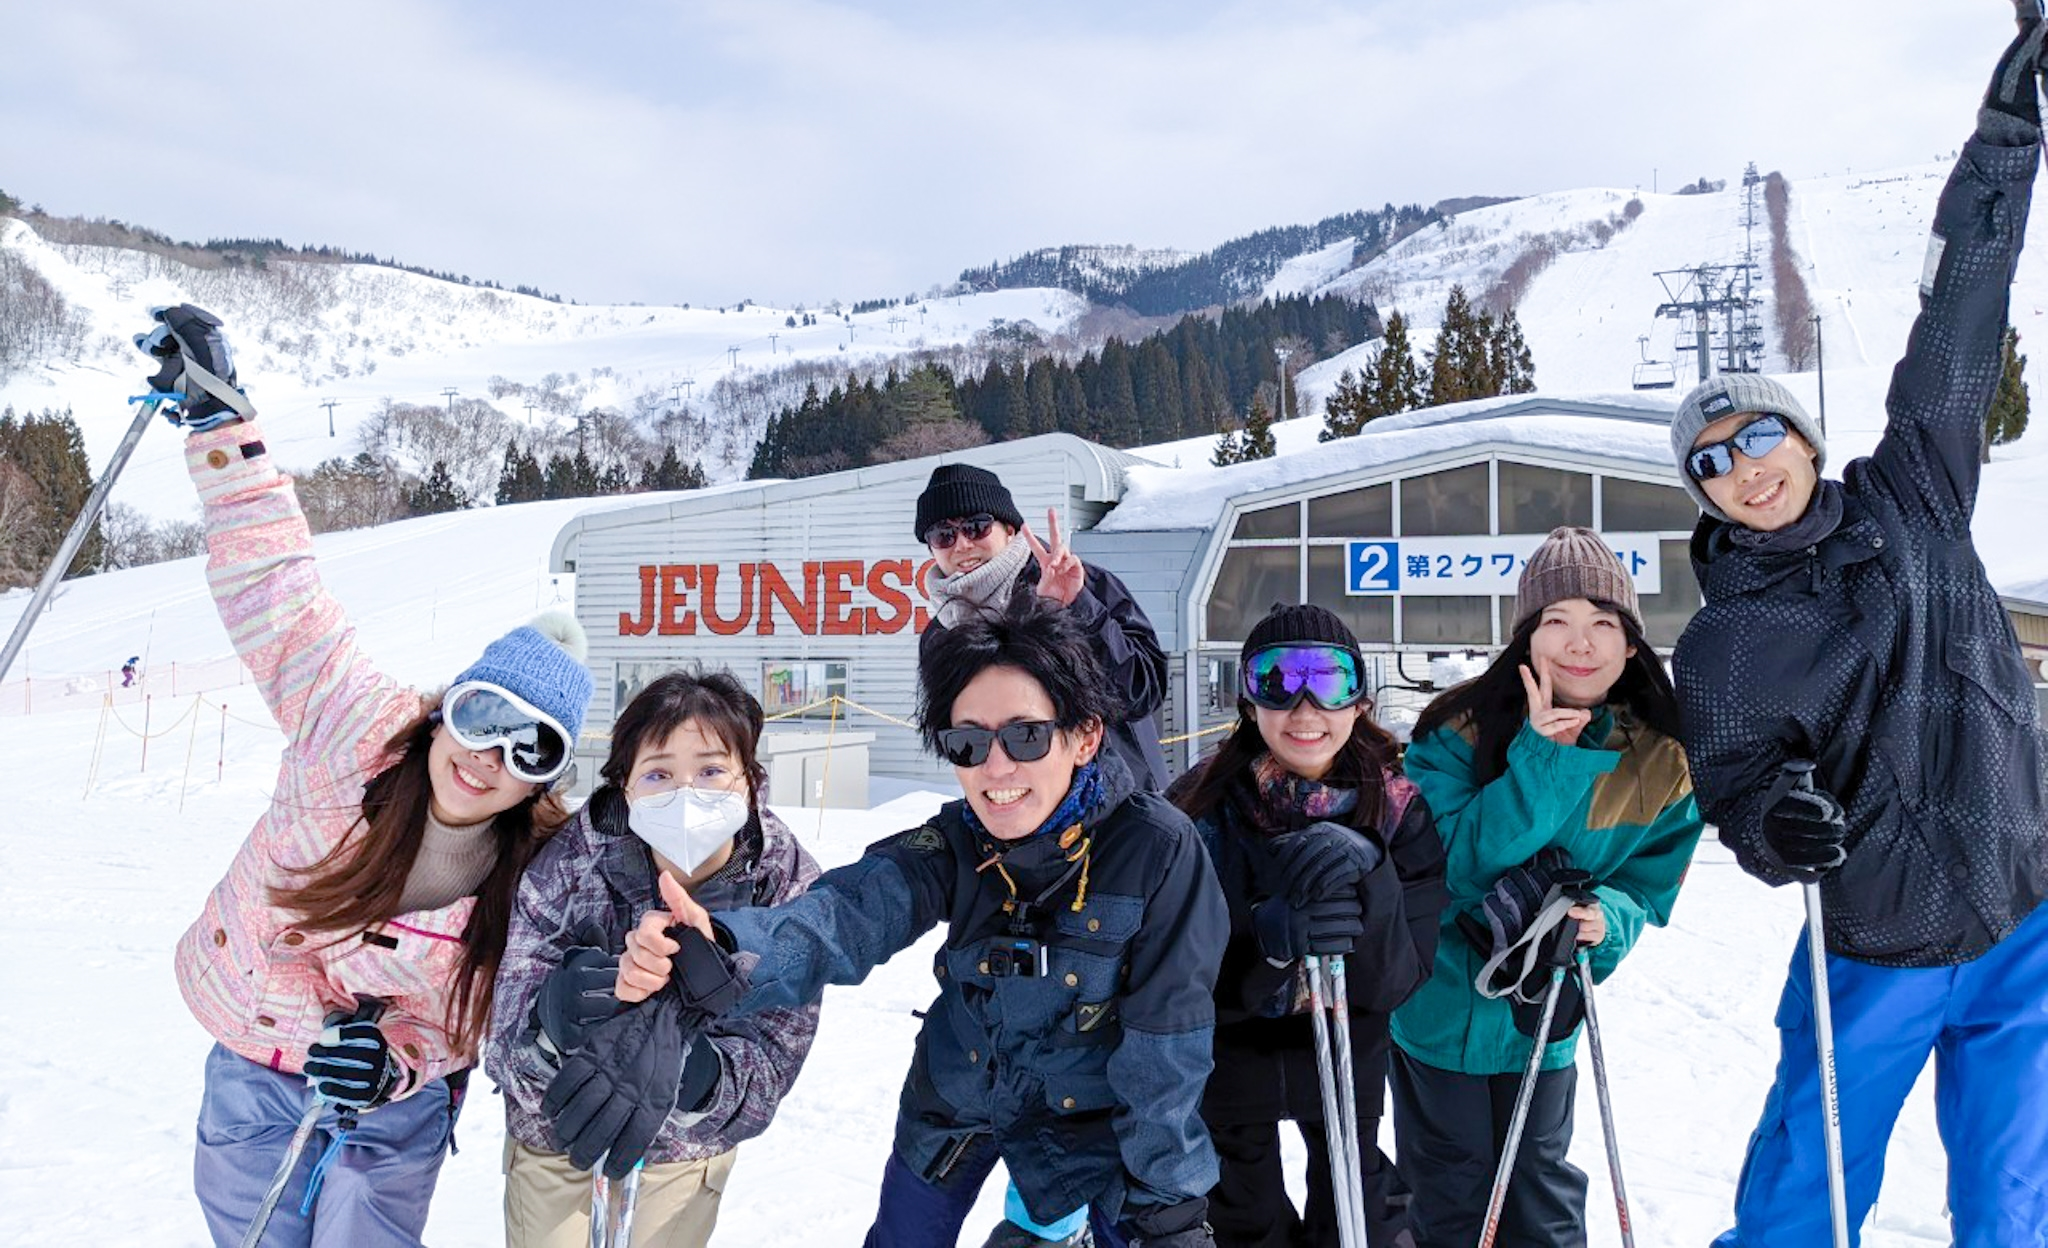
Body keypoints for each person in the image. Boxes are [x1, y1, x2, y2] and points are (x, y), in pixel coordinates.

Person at [1671, 18, 2048, 1244]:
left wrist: (2006, 137)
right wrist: (1776, 824)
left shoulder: (1915, 495)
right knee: (1803, 1200)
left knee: (2010, 1202)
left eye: (1757, 435)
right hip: (1877, 937)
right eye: (1712, 461)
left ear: (1802, 440)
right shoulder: (1725, 644)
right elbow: (1738, 792)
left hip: (2020, 907)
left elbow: (1960, 315)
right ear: (1708, 494)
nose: (1743, 466)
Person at [143, 304, 595, 1247]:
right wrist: (224, 429)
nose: (489, 760)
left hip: (396, 1097)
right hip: (260, 1044)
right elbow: (279, 593)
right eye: (482, 718)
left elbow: (478, 1011)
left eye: (531, 750)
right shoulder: (353, 724)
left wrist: (393, 1059)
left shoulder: (535, 870)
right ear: (445, 709)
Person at [623, 600, 1228, 1248]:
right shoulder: (957, 841)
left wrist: (1168, 1211)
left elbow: (1166, 1053)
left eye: (1026, 736)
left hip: (1092, 1129)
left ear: (1084, 736)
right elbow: (846, 913)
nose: (996, 769)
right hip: (956, 1096)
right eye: (968, 743)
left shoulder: (1156, 852)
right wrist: (726, 945)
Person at [1390, 529, 1703, 1248]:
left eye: (1602, 622)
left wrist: (1609, 920)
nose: (1579, 643)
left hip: (1545, 1011)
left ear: (1631, 644)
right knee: (1451, 1199)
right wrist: (1541, 757)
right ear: (1526, 639)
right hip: (1440, 1007)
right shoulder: (1453, 733)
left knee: (1540, 1197)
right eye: (1556, 621)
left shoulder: (1661, 757)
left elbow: (1646, 885)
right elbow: (1453, 865)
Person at [485, 670, 820, 1248]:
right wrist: (554, 1024)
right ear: (626, 788)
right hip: (555, 1132)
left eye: (712, 770)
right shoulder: (570, 863)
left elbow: (771, 1069)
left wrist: (691, 1071)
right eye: (659, 773)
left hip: (681, 1158)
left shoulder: (786, 887)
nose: (686, 792)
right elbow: (503, 1043)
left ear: (750, 780)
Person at [1167, 604, 1447, 1248]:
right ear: (1247, 702)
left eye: (1328, 681)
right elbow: (1170, 962)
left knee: (1353, 1210)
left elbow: (1399, 978)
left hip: (1349, 1048)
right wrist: (1264, 941)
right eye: (1276, 682)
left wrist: (1372, 874)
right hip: (1231, 1053)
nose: (1303, 710)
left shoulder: (1399, 811)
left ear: (1359, 702)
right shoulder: (1196, 810)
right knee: (1244, 1215)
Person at [915, 462, 1171, 792]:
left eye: (977, 526)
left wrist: (1075, 608)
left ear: (1010, 529)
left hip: (1119, 807)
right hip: (1015, 805)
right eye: (943, 535)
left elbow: (1144, 690)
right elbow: (951, 737)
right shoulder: (941, 635)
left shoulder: (1080, 583)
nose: (962, 545)